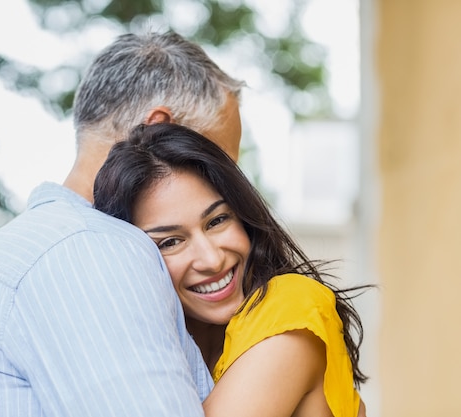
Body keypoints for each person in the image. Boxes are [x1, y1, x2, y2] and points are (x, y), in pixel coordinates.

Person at [0, 31, 244, 416]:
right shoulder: (89, 250)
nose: (229, 186)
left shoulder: (50, 243)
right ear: (160, 131)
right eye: (221, 163)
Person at [93, 122, 371, 417]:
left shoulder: (290, 308)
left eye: (217, 221)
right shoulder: (166, 346)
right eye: (171, 241)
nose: (211, 260)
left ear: (243, 215)